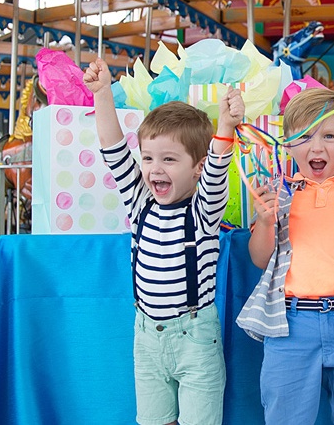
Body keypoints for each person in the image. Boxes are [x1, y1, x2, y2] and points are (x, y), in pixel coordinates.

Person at [84, 59, 239, 425]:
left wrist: (226, 127)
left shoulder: (203, 213)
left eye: (169, 159)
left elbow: (217, 172)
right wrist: (103, 93)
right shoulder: (141, 204)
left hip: (195, 339)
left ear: (196, 167)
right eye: (149, 158)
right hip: (146, 338)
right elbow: (112, 148)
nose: (155, 169)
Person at [235, 87, 334, 425]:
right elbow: (260, 259)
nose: (316, 146)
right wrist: (264, 220)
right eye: (304, 136)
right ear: (288, 143)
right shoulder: (279, 194)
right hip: (291, 324)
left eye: (329, 135)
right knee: (285, 414)